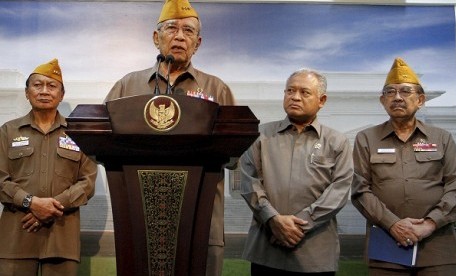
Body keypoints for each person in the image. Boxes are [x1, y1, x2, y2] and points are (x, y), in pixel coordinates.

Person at [104, 0, 234, 275]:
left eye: (188, 31)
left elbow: (235, 153)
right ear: (156, 37)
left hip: (200, 219)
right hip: (139, 221)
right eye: (171, 29)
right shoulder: (128, 86)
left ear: (197, 43)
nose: (179, 36)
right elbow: (101, 138)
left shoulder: (216, 89)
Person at [351, 57, 456, 275]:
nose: (397, 98)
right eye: (390, 92)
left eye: (405, 91)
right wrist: (393, 224)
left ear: (420, 100)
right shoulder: (366, 139)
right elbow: (360, 190)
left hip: (437, 247)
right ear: (382, 100)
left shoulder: (442, 138)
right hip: (386, 245)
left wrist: (429, 224)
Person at [240, 68, 354, 275]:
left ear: (322, 100)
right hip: (267, 249)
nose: (295, 97)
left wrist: (298, 226)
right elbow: (249, 182)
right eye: (289, 91)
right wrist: (273, 219)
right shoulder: (260, 136)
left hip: (315, 254)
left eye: (304, 92)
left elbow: (340, 190)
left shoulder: (337, 141)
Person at [0, 58, 97, 276]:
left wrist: (50, 208)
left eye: (52, 86)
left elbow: (88, 183)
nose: (44, 91)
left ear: (61, 95)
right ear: (27, 92)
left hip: (61, 242)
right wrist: (30, 202)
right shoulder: (8, 131)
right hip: (16, 240)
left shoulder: (79, 133)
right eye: (37, 85)